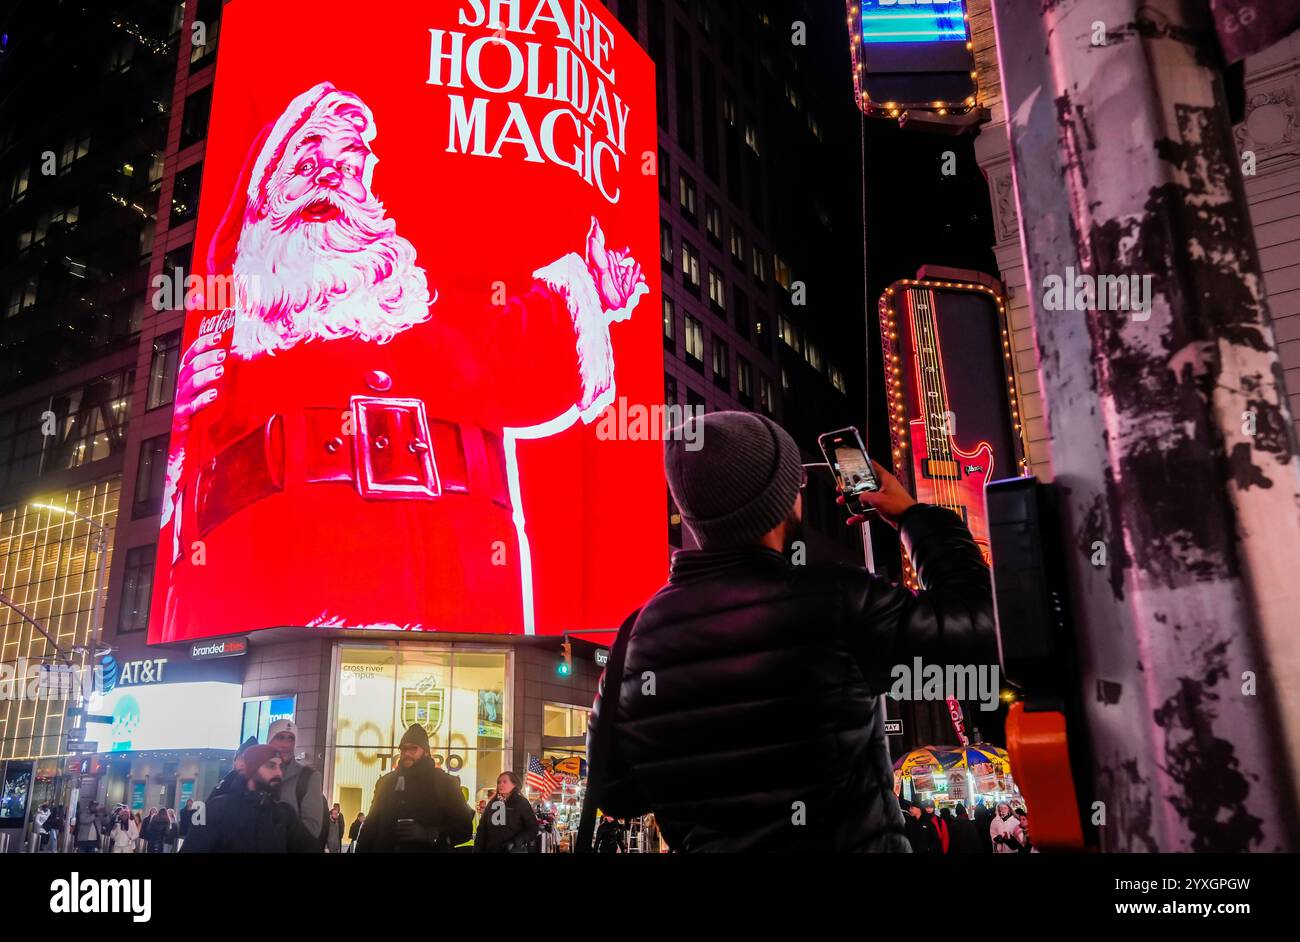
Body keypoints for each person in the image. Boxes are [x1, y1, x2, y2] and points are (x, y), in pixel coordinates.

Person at [586, 411, 996, 852]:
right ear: (781, 502)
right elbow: (981, 629)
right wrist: (913, 518)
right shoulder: (838, 602)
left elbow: (615, 793)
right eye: (795, 483)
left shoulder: (635, 640)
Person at [355, 724, 472, 853]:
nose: (407, 753)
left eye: (413, 749)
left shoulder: (445, 783)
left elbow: (464, 829)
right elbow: (370, 827)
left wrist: (429, 834)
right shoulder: (386, 783)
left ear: (426, 752)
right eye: (404, 749)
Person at [181, 745, 319, 853]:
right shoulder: (217, 809)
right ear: (253, 769)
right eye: (271, 766)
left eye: (280, 766)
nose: (279, 772)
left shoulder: (284, 815)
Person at [267, 719, 326, 847]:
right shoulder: (259, 773)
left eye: (291, 739)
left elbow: (312, 828)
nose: (285, 744)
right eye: (280, 737)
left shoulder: (309, 777)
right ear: (269, 741)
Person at [473, 771, 539, 854]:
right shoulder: (492, 803)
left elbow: (533, 829)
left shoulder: (521, 802)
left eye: (504, 782)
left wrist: (514, 842)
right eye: (499, 782)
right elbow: (482, 830)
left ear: (514, 784)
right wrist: (477, 850)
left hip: (514, 850)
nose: (500, 784)